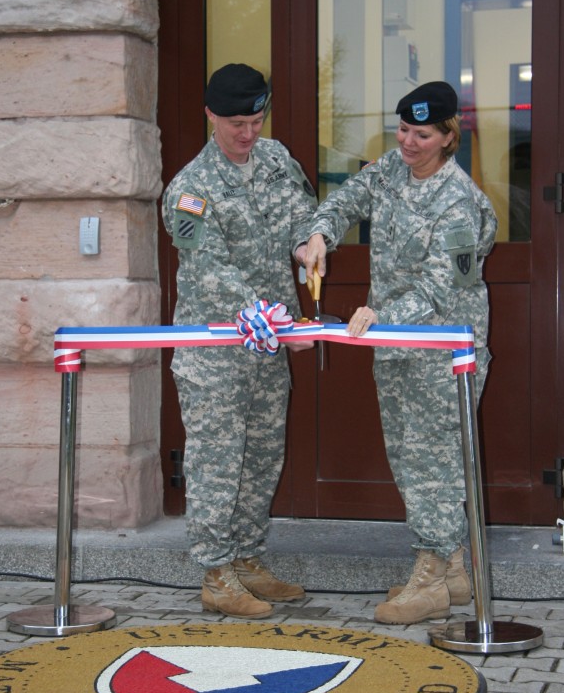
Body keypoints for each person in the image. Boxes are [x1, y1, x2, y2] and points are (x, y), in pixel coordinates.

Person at [305, 81, 498, 625]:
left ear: (447, 137)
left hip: (441, 348)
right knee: (412, 458)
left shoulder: (458, 201)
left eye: (422, 134)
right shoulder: (391, 169)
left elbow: (443, 286)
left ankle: (431, 577)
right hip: (394, 344)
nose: (409, 143)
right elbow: (346, 198)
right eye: (404, 130)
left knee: (432, 461)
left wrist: (381, 316)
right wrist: (321, 234)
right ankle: (454, 569)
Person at [162, 63, 316, 619]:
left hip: (267, 353)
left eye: (255, 119)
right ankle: (215, 573)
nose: (248, 133)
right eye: (235, 123)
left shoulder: (276, 160)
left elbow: (303, 214)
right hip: (216, 356)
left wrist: (309, 243)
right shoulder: (188, 193)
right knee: (218, 462)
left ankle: (249, 560)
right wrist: (280, 323)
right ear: (209, 116)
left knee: (260, 458)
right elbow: (213, 274)